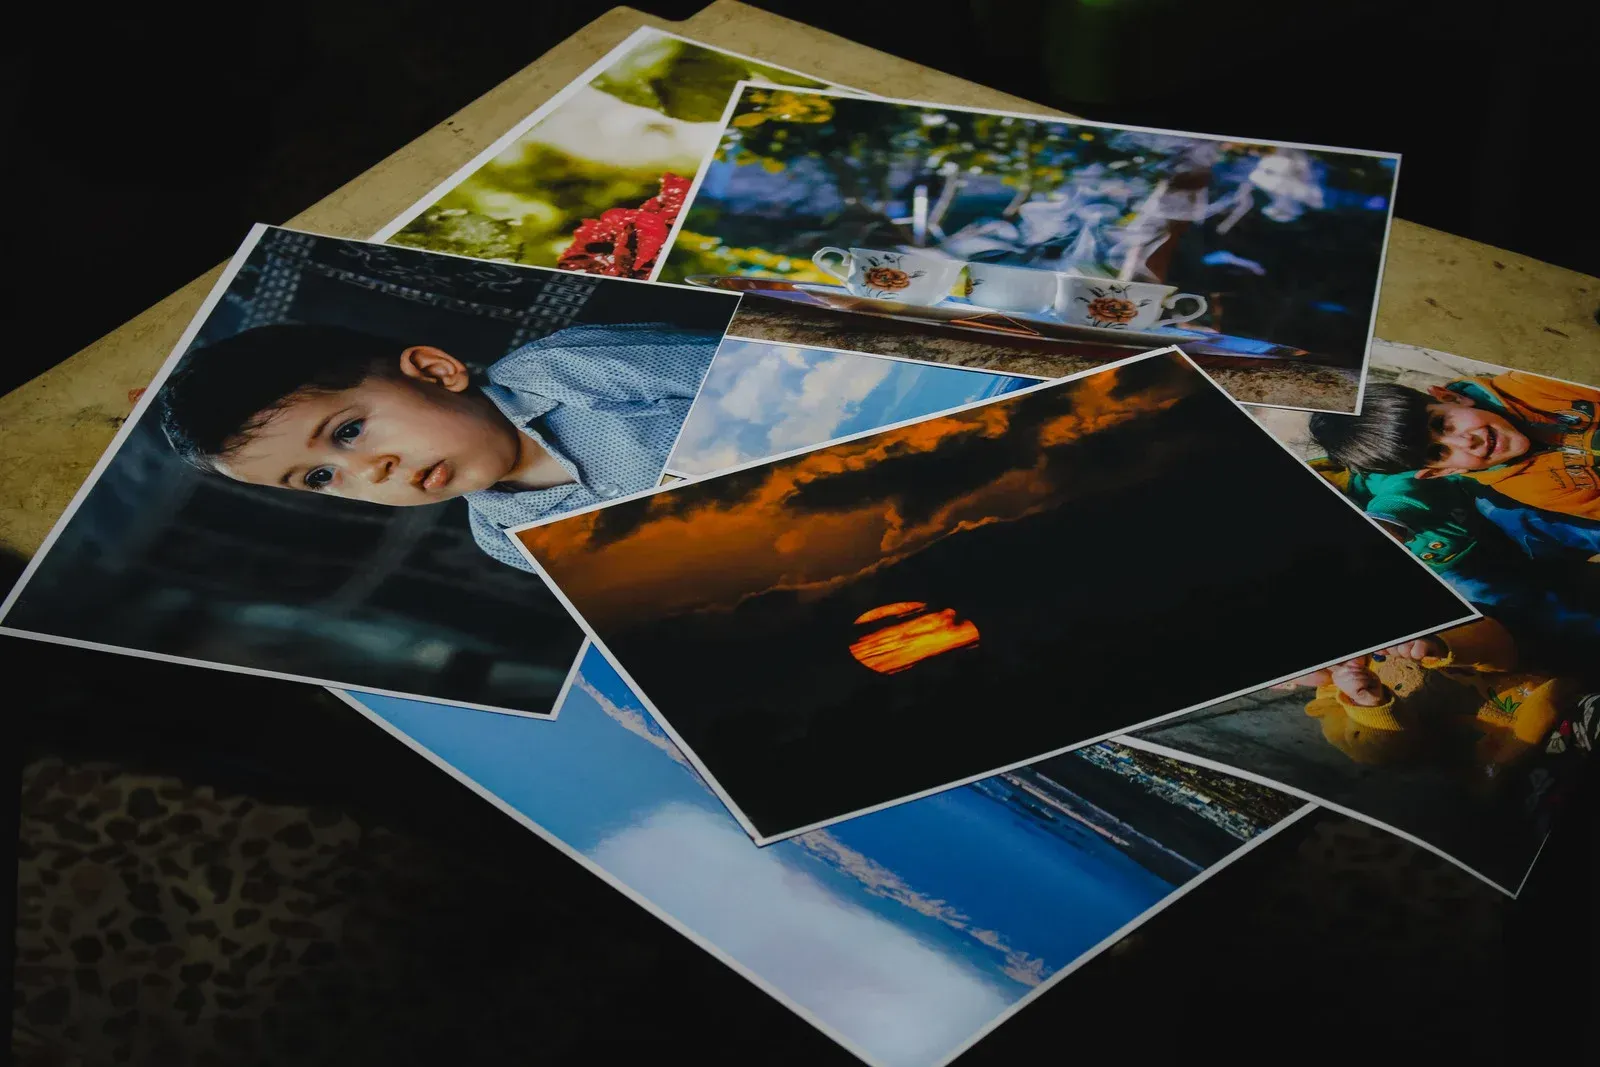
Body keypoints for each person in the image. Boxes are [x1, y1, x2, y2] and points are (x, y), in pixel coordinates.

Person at [156, 322, 722, 571]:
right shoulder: (506, 541)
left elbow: (784, 374)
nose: (371, 474)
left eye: (348, 433)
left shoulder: (564, 369)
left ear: (432, 371)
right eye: (320, 478)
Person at [1281, 620, 1597, 827]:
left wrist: (1441, 643)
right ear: (1285, 684)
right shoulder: (1333, 709)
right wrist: (1368, 703)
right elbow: (1388, 752)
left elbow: (1501, 645)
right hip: (1510, 768)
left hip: (1555, 703)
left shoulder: (1395, 632)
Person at [1309, 376, 1600, 530]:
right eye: (1439, 452)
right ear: (1441, 471)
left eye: (1442, 423)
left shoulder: (1529, 386)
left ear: (1451, 398)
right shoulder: (1531, 489)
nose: (1465, 442)